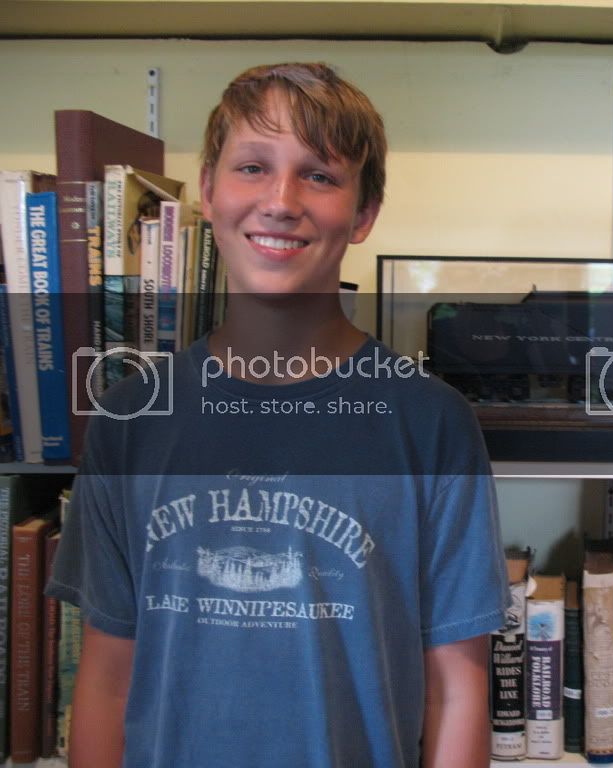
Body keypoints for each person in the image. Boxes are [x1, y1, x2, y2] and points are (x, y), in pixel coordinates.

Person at [46, 62, 509, 768]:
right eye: (253, 167)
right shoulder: (130, 418)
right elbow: (108, 678)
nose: (281, 201)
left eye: (319, 175)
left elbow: (456, 690)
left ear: (363, 214)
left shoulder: (431, 424)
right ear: (208, 190)